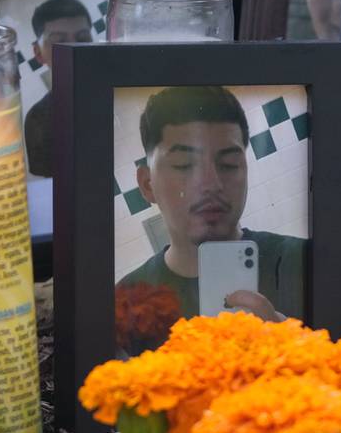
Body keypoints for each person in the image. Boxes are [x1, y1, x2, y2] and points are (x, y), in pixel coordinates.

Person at [116, 86, 304, 327]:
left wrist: (296, 349)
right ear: (147, 184)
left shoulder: (301, 262)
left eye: (229, 163)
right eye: (184, 165)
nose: (211, 184)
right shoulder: (124, 305)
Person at [23, 0, 93, 178]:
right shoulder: (38, 118)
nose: (74, 48)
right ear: (38, 53)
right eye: (58, 41)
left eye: (83, 38)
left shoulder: (122, 90)